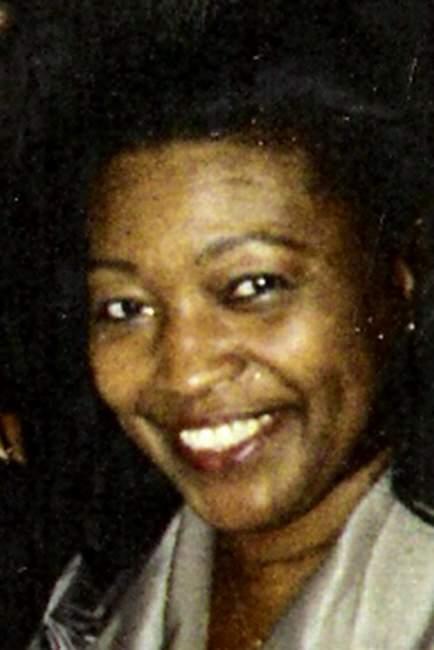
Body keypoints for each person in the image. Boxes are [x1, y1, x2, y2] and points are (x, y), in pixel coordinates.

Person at [3, 1, 434, 648]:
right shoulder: (88, 607)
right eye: (125, 308)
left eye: (253, 287)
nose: (186, 371)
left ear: (399, 279)